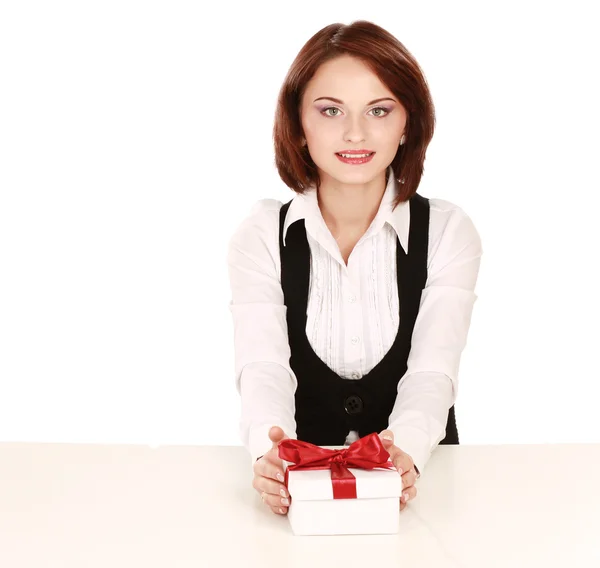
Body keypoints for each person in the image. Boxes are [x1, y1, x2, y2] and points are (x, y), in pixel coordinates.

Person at [227, 20, 482, 517]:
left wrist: (404, 451)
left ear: (407, 123)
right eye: (330, 110)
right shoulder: (260, 235)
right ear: (299, 124)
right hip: (300, 497)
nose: (355, 133)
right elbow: (263, 367)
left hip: (423, 494)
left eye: (379, 110)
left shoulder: (449, 231)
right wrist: (270, 449)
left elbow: (432, 371)